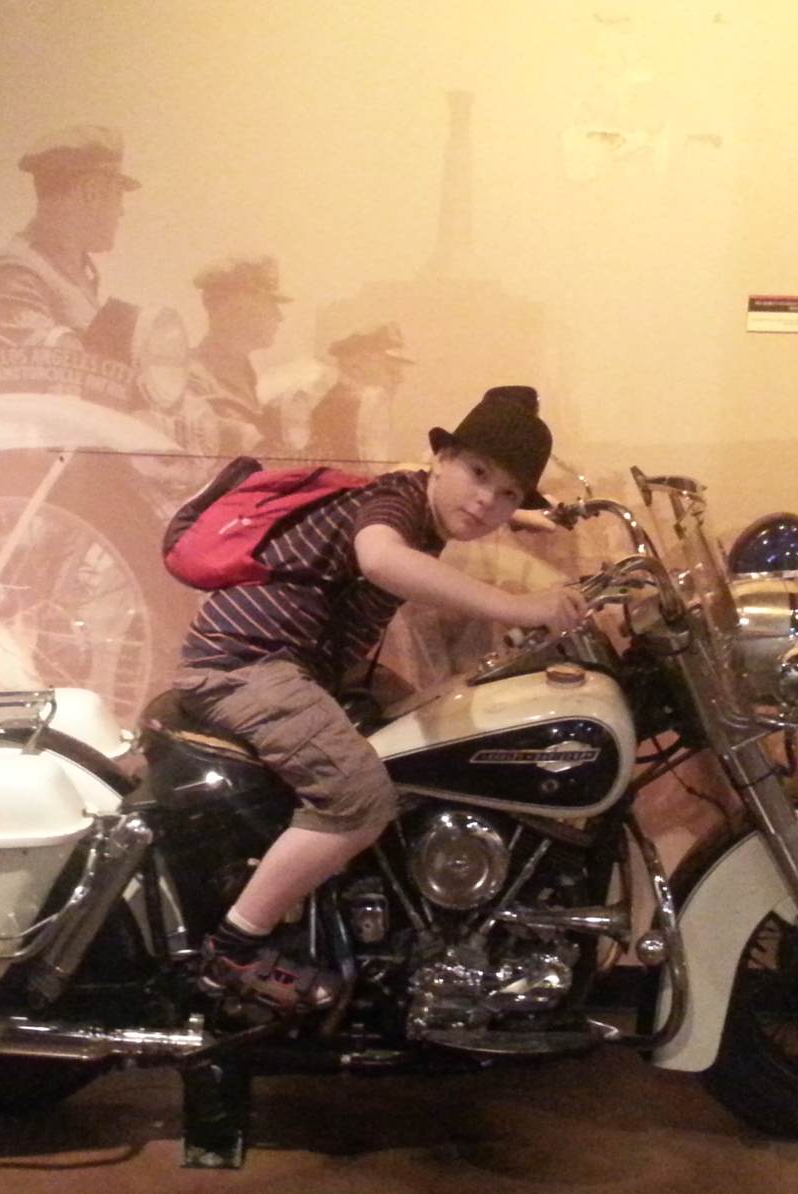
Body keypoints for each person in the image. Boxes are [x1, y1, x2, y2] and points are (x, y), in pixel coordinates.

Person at [174, 385, 588, 1013]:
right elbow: (381, 560)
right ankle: (235, 950)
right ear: (442, 458)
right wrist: (517, 606)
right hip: (245, 665)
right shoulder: (395, 503)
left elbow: (466, 508)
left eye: (507, 493)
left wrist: (530, 517)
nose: (486, 501)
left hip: (289, 665)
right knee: (361, 799)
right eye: (478, 474)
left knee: (421, 725)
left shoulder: (422, 502)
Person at [0, 124, 141, 402]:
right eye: (118, 195)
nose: (121, 211)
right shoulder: (17, 273)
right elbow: (41, 383)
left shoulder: (74, 273)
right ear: (91, 192)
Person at [184, 255, 291, 455]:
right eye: (268, 303)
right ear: (234, 307)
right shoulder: (187, 378)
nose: (279, 316)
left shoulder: (245, 376)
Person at [305, 321, 414, 463]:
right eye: (391, 371)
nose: (399, 380)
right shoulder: (340, 410)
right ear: (356, 365)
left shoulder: (363, 409)